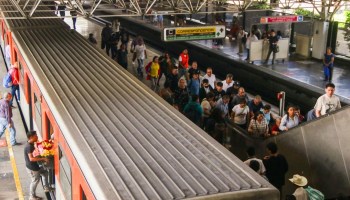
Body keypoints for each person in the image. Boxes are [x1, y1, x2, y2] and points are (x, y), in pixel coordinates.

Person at [25, 131, 50, 200]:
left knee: (45, 172)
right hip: (32, 168)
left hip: (35, 166)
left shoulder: (31, 144)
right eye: (35, 136)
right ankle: (32, 196)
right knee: (35, 180)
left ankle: (46, 187)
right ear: (31, 137)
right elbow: (31, 159)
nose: (37, 136)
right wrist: (43, 158)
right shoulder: (29, 147)